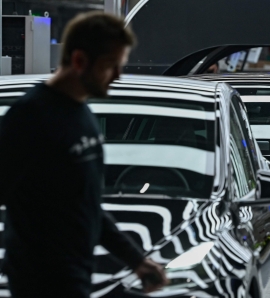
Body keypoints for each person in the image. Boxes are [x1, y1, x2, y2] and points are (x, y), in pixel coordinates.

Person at [0, 12, 168, 297]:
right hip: (38, 282)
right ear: (79, 61)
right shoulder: (29, 118)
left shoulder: (82, 114)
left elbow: (86, 205)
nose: (118, 75)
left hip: (75, 278)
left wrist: (136, 261)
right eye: (110, 65)